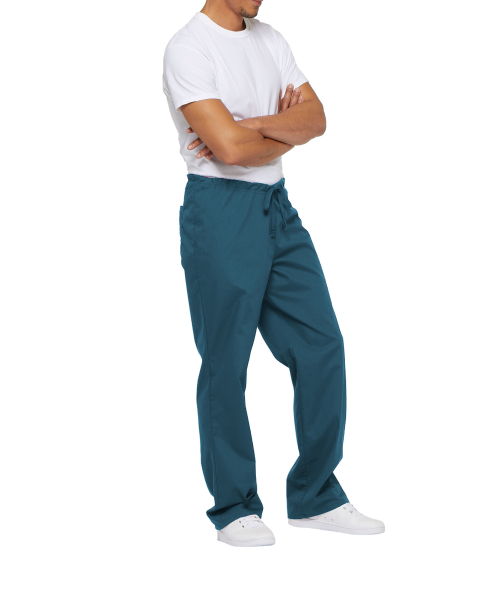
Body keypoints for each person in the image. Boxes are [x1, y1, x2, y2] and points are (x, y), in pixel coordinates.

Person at [162, 0, 384, 547]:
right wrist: (277, 131)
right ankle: (234, 508)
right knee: (226, 362)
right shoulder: (188, 48)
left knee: (321, 346)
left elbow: (317, 119)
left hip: (277, 209)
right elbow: (229, 151)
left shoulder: (271, 39)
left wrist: (251, 124)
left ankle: (315, 496)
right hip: (220, 209)